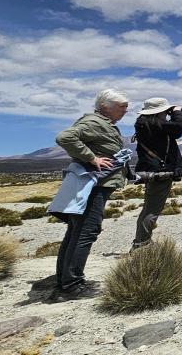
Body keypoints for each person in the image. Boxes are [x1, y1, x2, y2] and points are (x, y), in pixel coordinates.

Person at [47, 89, 131, 301]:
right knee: (87, 230)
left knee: (76, 230)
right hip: (93, 184)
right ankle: (72, 285)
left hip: (95, 183)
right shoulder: (94, 122)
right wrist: (92, 158)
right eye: (121, 106)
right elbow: (64, 137)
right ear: (105, 106)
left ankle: (65, 280)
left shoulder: (103, 123)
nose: (125, 110)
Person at [130, 98, 182, 250]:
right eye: (165, 111)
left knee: (149, 208)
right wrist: (177, 112)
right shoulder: (155, 125)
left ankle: (143, 242)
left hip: (152, 171)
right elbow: (178, 127)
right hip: (159, 172)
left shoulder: (145, 124)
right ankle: (142, 245)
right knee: (152, 210)